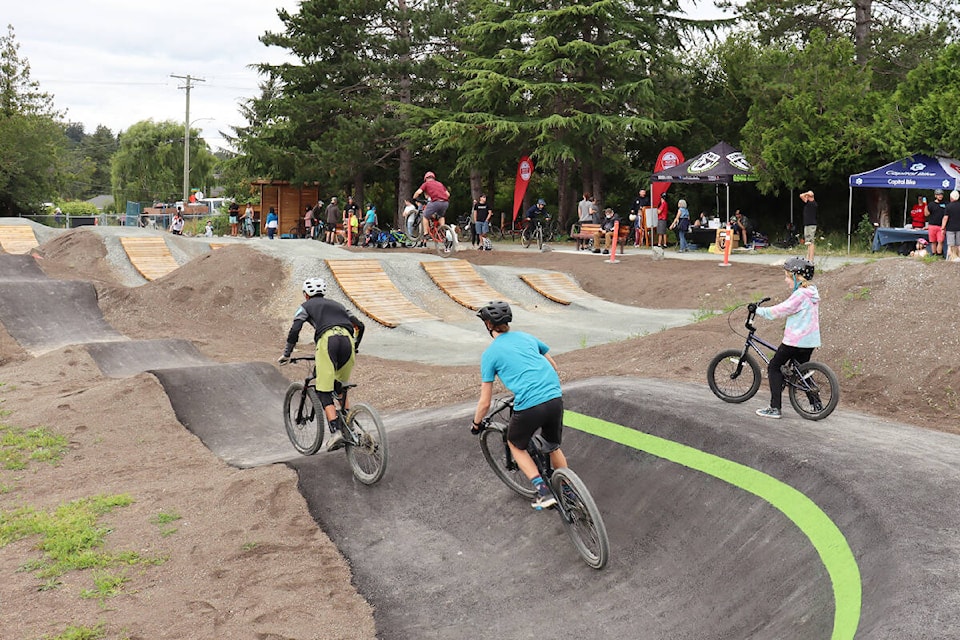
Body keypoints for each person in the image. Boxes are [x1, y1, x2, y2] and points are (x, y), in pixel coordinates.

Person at [470, 301, 566, 510]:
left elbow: (485, 401)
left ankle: (544, 491)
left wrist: (476, 424)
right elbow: (553, 365)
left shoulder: (490, 354)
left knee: (515, 444)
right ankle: (567, 489)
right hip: (554, 396)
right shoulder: (527, 337)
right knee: (552, 445)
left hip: (531, 404)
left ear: (488, 325)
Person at [279, 278, 365, 451]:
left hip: (328, 341)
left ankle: (336, 433)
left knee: (323, 390)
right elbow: (360, 326)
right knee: (340, 387)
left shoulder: (306, 306)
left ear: (306, 294)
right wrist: (354, 347)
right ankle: (351, 427)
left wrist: (287, 353)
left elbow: (295, 329)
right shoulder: (338, 305)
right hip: (347, 340)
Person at [752, 257, 820, 419]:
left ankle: (775, 408)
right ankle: (816, 404)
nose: (785, 280)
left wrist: (758, 310)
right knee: (802, 371)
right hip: (810, 341)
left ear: (797, 277)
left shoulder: (801, 295)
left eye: (788, 276)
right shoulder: (812, 292)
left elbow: (781, 310)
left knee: (774, 367)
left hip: (795, 340)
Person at [412, 171, 451, 238]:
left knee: (425, 216)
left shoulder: (426, 184)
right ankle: (443, 230)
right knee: (441, 216)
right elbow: (448, 194)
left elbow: (418, 192)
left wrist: (414, 198)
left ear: (426, 179)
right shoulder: (439, 184)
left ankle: (426, 233)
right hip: (445, 203)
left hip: (436, 202)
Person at [925, 189, 947, 258]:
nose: (940, 196)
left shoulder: (946, 204)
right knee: (933, 241)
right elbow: (926, 214)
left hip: (941, 226)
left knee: (940, 241)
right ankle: (934, 254)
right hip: (932, 225)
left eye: (941, 194)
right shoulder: (931, 204)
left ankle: (939, 255)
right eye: (938, 194)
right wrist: (925, 206)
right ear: (935, 196)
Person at [940, 190, 960, 261]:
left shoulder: (948, 206)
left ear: (951, 197)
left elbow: (945, 218)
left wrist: (942, 228)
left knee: (950, 245)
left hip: (950, 228)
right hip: (959, 228)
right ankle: (959, 257)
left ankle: (949, 259)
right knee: (959, 245)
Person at [800, 190, 817, 262]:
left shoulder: (812, 203)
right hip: (807, 224)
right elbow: (801, 196)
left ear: (810, 197)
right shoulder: (809, 203)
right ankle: (808, 257)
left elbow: (802, 195)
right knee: (808, 242)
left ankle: (811, 259)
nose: (805, 197)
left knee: (811, 241)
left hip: (811, 225)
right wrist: (808, 194)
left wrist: (807, 194)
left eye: (807, 196)